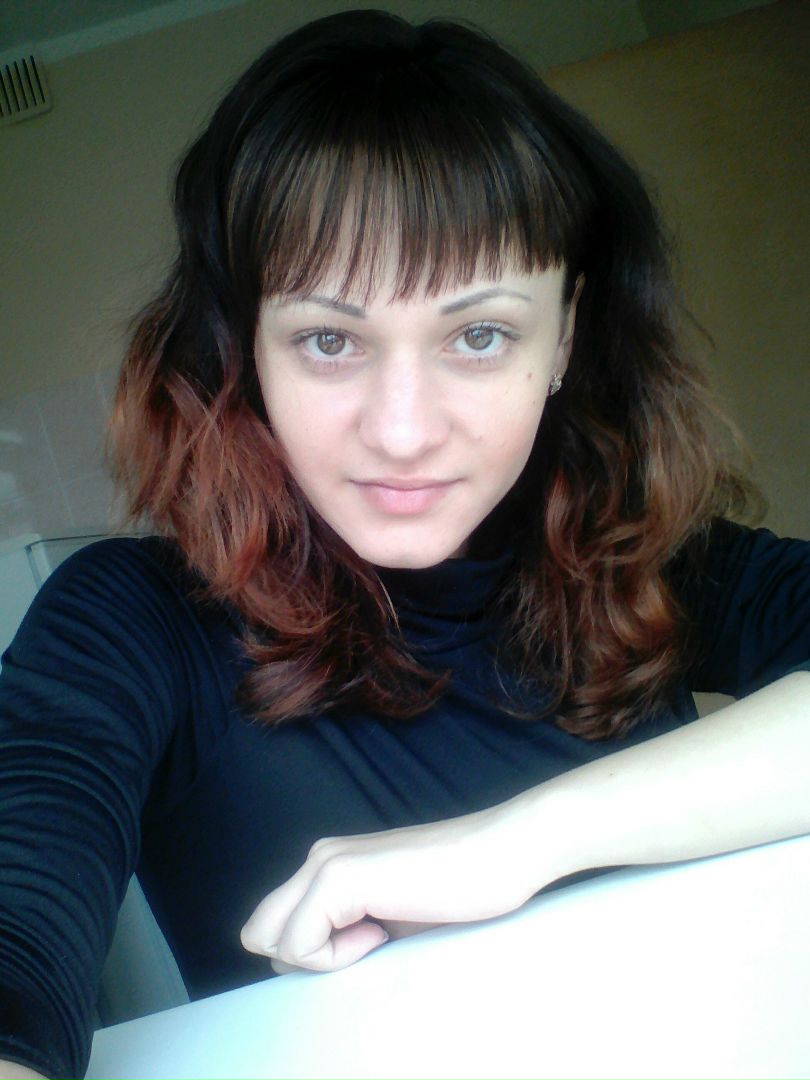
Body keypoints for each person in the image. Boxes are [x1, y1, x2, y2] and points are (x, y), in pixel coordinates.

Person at [1, 9, 808, 1079]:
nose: (402, 431)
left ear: (564, 336)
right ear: (248, 351)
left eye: (479, 334)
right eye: (329, 339)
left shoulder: (642, 557)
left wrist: (515, 845)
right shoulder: (131, 622)